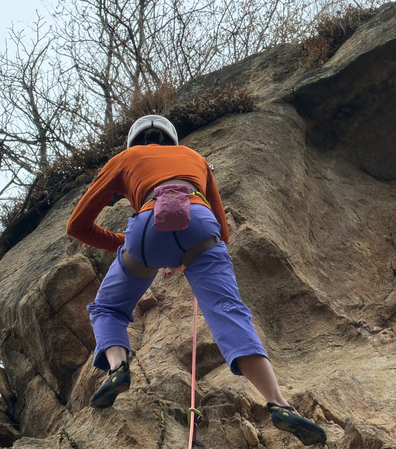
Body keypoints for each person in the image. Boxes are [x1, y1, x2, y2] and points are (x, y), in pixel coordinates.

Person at [66, 115, 327, 446]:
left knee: (107, 307)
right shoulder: (195, 158)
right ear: (171, 139)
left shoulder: (125, 159)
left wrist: (127, 244)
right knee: (228, 312)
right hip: (201, 225)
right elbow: (224, 230)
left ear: (134, 141)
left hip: (145, 228)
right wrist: (189, 253)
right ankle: (280, 403)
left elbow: (77, 225)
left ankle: (117, 368)